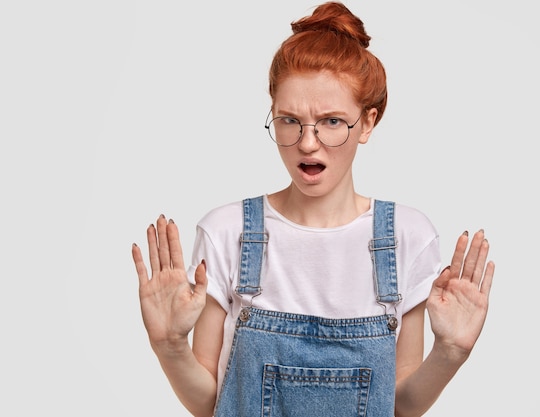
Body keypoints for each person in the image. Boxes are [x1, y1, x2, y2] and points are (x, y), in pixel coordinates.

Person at [131, 2, 495, 416]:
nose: (307, 142)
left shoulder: (405, 237)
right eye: (289, 120)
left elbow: (400, 407)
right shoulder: (227, 232)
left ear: (369, 122)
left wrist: (451, 352)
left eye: (332, 121)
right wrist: (168, 345)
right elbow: (209, 403)